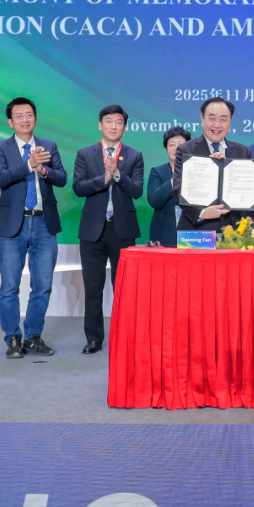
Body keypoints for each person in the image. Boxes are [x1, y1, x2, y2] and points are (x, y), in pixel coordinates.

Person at [0, 97, 67, 359]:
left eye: (29, 114)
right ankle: (13, 338)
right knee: (9, 286)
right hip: (13, 224)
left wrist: (43, 170)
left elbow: (62, 178)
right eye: (19, 116)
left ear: (35, 118)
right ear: (10, 122)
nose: (25, 119)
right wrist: (28, 165)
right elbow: (0, 178)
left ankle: (33, 336)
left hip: (44, 223)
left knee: (43, 285)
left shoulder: (49, 146)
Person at [73, 105, 144, 354]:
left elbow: (137, 190)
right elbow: (78, 187)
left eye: (119, 122)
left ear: (125, 127)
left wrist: (117, 175)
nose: (114, 126)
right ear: (100, 125)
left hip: (122, 230)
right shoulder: (85, 154)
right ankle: (94, 338)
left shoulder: (134, 155)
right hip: (92, 230)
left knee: (124, 288)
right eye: (109, 121)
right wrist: (104, 178)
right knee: (93, 287)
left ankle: (124, 337)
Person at [172, 97, 253, 232]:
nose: (217, 125)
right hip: (197, 232)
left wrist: (229, 170)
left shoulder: (243, 151)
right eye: (212, 118)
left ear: (230, 122)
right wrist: (202, 213)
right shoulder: (186, 150)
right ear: (202, 119)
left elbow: (250, 192)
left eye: (223, 119)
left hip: (233, 233)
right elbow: (178, 190)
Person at [147, 126, 191, 247]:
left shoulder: (197, 171)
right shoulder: (157, 172)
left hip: (192, 235)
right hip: (163, 235)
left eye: (181, 144)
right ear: (166, 148)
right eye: (172, 144)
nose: (176, 148)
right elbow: (154, 201)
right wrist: (173, 181)